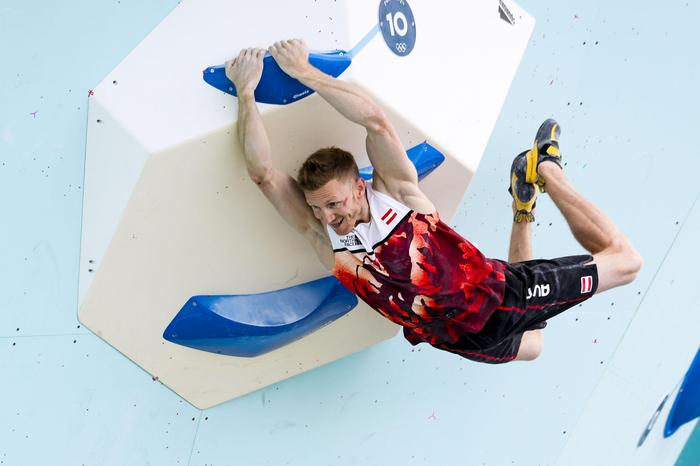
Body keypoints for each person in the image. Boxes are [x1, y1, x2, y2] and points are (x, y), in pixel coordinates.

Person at [224, 40, 642, 364]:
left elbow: (374, 121)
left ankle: (544, 166)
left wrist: (304, 70)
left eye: (333, 204)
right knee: (533, 346)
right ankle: (523, 205)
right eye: (317, 209)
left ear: (357, 187)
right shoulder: (323, 237)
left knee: (626, 263)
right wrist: (246, 91)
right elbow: (263, 175)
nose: (326, 217)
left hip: (500, 300)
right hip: (452, 338)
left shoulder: (396, 193)